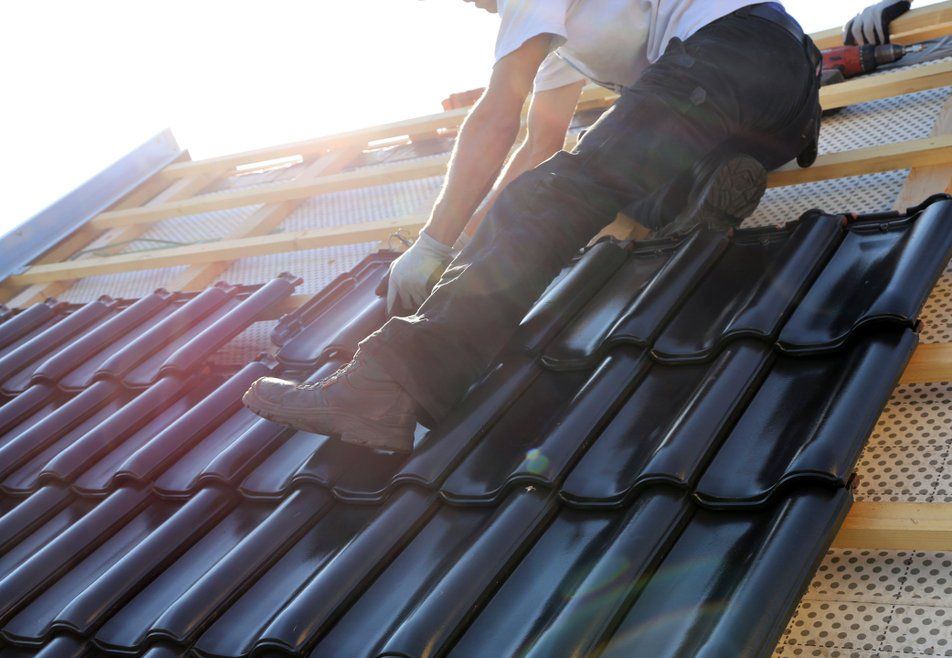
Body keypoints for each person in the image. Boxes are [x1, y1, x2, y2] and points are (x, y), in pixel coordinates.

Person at [243, 0, 853, 453]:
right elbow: (539, 143)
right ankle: (697, 192)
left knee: (563, 192)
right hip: (785, 106)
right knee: (602, 173)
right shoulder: (570, 40)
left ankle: (386, 386)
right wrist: (459, 254)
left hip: (728, 56)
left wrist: (431, 243)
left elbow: (499, 115)